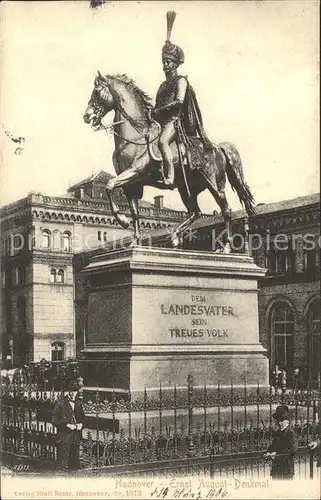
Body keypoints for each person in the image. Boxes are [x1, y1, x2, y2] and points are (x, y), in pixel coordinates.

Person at [151, 12, 212, 189]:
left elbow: (178, 102)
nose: (165, 64)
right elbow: (157, 105)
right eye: (164, 61)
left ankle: (169, 177)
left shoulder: (181, 81)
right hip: (161, 122)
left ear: (176, 64)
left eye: (169, 61)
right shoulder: (163, 85)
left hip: (175, 123)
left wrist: (160, 111)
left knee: (162, 142)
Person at [52, 386, 86, 472]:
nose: (72, 394)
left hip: (76, 436)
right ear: (68, 391)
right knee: (62, 465)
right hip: (64, 436)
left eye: (74, 392)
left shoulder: (78, 403)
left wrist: (81, 424)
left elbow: (83, 418)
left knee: (75, 466)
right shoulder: (60, 403)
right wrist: (66, 424)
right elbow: (54, 420)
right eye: (71, 391)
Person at [264, 405, 298, 480]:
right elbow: (273, 445)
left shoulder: (291, 433)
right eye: (279, 421)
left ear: (287, 421)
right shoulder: (278, 432)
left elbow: (292, 450)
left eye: (282, 421)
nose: (280, 423)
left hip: (286, 470)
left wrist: (276, 454)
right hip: (276, 469)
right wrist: (268, 452)